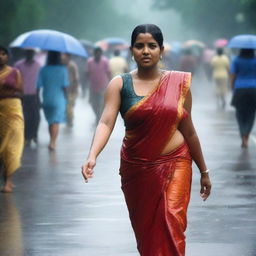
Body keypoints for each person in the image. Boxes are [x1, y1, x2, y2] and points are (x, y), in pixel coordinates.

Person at [81, 24, 212, 256]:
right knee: (147, 231)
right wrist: (92, 156)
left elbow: (188, 130)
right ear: (131, 51)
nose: (145, 51)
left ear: (161, 50)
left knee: (171, 221)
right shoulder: (119, 85)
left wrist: (204, 170)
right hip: (137, 168)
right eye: (139, 46)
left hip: (177, 163)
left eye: (152, 46)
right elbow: (106, 122)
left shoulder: (179, 84)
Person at [0, 46, 24, 193]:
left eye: (3, 54)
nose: (0, 56)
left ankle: (8, 182)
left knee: (12, 146)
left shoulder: (15, 72)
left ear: (8, 57)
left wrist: (7, 91)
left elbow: (21, 91)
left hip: (13, 110)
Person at [37, 51, 69, 150]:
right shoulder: (63, 69)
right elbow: (65, 86)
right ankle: (53, 142)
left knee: (50, 121)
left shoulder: (43, 70)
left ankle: (51, 140)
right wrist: (66, 98)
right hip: (59, 99)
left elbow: (38, 86)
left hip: (47, 98)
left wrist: (38, 99)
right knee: (55, 121)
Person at [230, 48, 256, 148]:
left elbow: (232, 75)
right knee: (251, 114)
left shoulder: (236, 60)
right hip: (254, 89)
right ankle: (246, 136)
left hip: (240, 88)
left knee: (240, 114)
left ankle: (243, 137)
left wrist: (232, 87)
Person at [15, 49, 41, 145]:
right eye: (28, 53)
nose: (30, 55)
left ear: (33, 54)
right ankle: (26, 136)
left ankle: (34, 134)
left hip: (35, 94)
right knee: (24, 116)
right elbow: (15, 79)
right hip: (22, 95)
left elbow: (40, 80)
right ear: (25, 54)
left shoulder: (38, 65)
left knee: (35, 116)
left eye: (31, 53)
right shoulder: (18, 65)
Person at [86, 47, 111, 124]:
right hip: (93, 86)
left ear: (101, 53)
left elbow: (108, 73)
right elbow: (87, 73)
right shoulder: (89, 62)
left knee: (101, 103)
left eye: (99, 53)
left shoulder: (105, 61)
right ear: (94, 53)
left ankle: (99, 117)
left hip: (103, 86)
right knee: (93, 103)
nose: (97, 54)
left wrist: (110, 84)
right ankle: (97, 115)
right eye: (96, 53)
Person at [61, 53, 80, 127]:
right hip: (65, 90)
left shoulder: (72, 66)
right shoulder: (62, 66)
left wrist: (74, 89)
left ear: (68, 58)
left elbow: (76, 79)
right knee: (66, 107)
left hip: (72, 90)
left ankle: (70, 120)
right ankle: (68, 119)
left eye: (65, 58)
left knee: (70, 106)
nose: (63, 60)